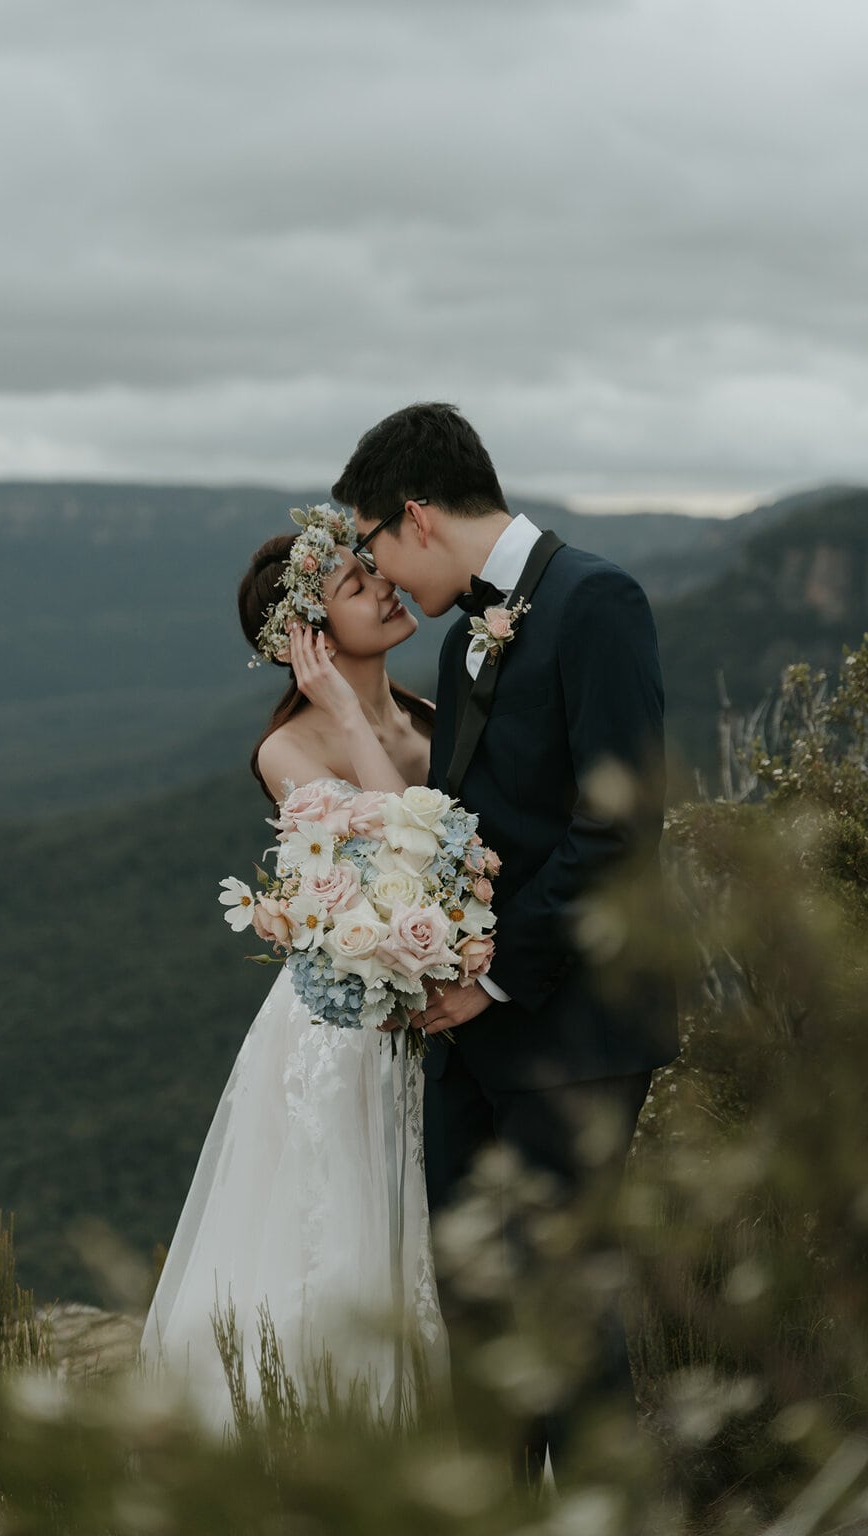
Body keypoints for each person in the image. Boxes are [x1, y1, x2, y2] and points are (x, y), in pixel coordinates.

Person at [331, 404, 678, 1481]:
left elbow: (617, 823)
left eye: (376, 543)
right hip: (472, 1042)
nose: (379, 575)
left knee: (564, 1317)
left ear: (418, 517)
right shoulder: (463, 629)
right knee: (475, 1317)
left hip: (571, 1031)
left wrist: (495, 977)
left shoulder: (596, 601)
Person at [139, 506, 446, 1432]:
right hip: (348, 1032)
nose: (387, 586)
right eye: (359, 585)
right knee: (341, 1245)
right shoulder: (290, 749)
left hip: (436, 1006)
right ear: (308, 639)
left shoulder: (432, 714)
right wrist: (351, 713)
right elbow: (408, 856)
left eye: (375, 573)